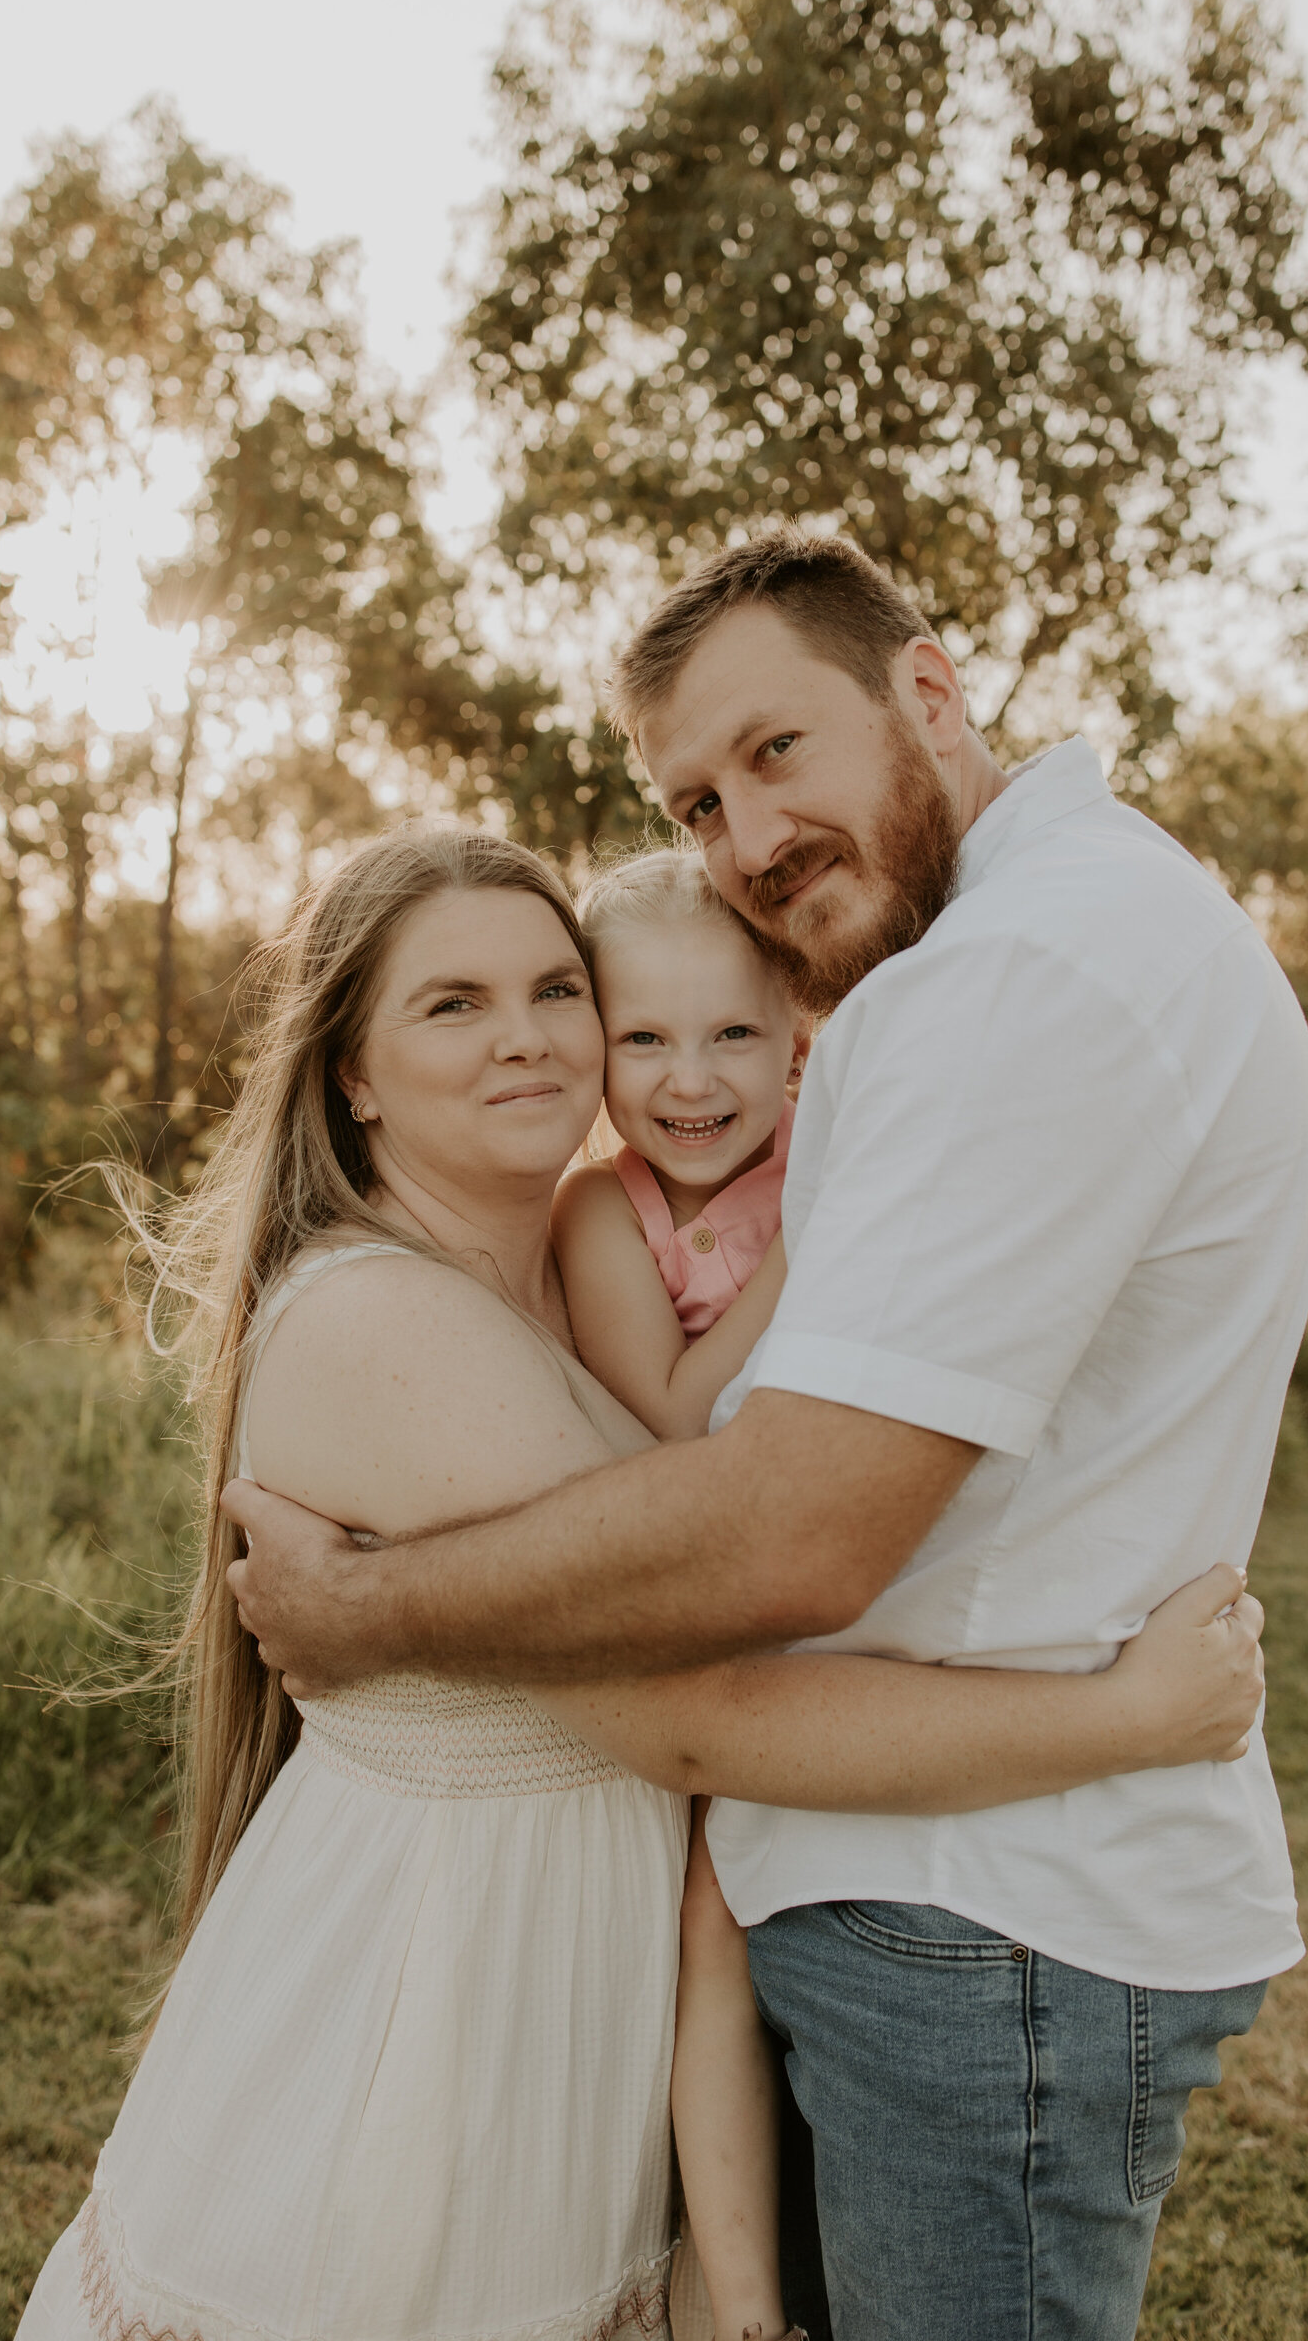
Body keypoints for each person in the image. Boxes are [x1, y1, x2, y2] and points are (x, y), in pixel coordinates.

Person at [226, 528, 1308, 2341]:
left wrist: (374, 1614)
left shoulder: (1019, 977)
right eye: (697, 798)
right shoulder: (1006, 955)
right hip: (926, 1883)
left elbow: (788, 1535)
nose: (745, 837)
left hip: (985, 1926)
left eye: (776, 752)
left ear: (930, 687)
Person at [17, 823, 1268, 2341]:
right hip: (427, 2012)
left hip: (576, 2002)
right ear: (351, 1068)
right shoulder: (380, 1325)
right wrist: (1122, 1724)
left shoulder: (572, 1263)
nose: (529, 1038)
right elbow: (703, 1718)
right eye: (453, 1004)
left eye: (555, 988)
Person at [555, 849, 808, 2339]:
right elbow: (670, 1411)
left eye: (730, 1035)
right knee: (709, 1933)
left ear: (797, 1033)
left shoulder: (850, 1148)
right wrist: (809, 1248)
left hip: (862, 1585)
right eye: (644, 1037)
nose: (689, 1079)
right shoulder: (609, 1214)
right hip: (716, 1608)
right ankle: (741, 2303)